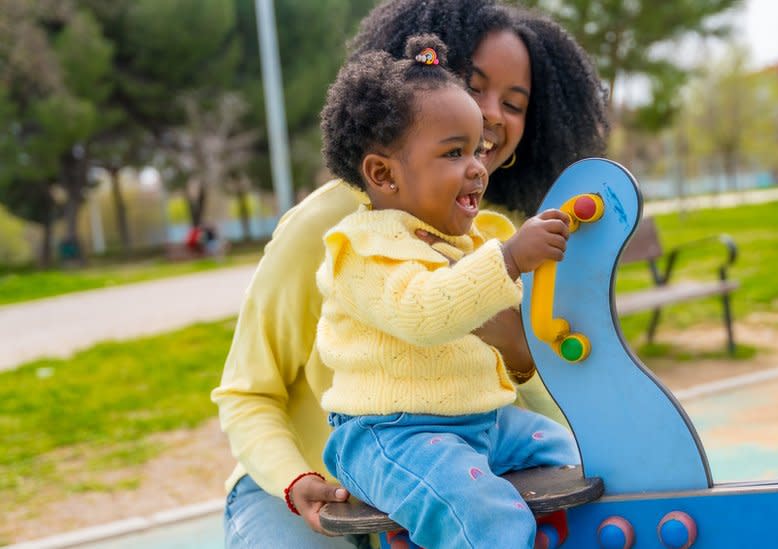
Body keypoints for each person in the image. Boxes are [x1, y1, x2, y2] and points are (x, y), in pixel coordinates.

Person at [212, 1, 607, 548]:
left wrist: (520, 358)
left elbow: (531, 392)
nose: (492, 113)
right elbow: (246, 394)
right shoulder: (337, 230)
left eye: (514, 103)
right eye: (473, 85)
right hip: (308, 485)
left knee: (575, 484)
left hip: (444, 465)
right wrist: (292, 480)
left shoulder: (492, 233)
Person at [316, 34, 578, 549]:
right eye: (454, 152)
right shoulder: (363, 250)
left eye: (478, 148)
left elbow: (519, 334)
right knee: (484, 513)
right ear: (383, 175)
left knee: (579, 454)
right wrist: (509, 259)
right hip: (391, 436)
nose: (478, 166)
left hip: (486, 422)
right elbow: (423, 311)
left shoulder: (479, 238)